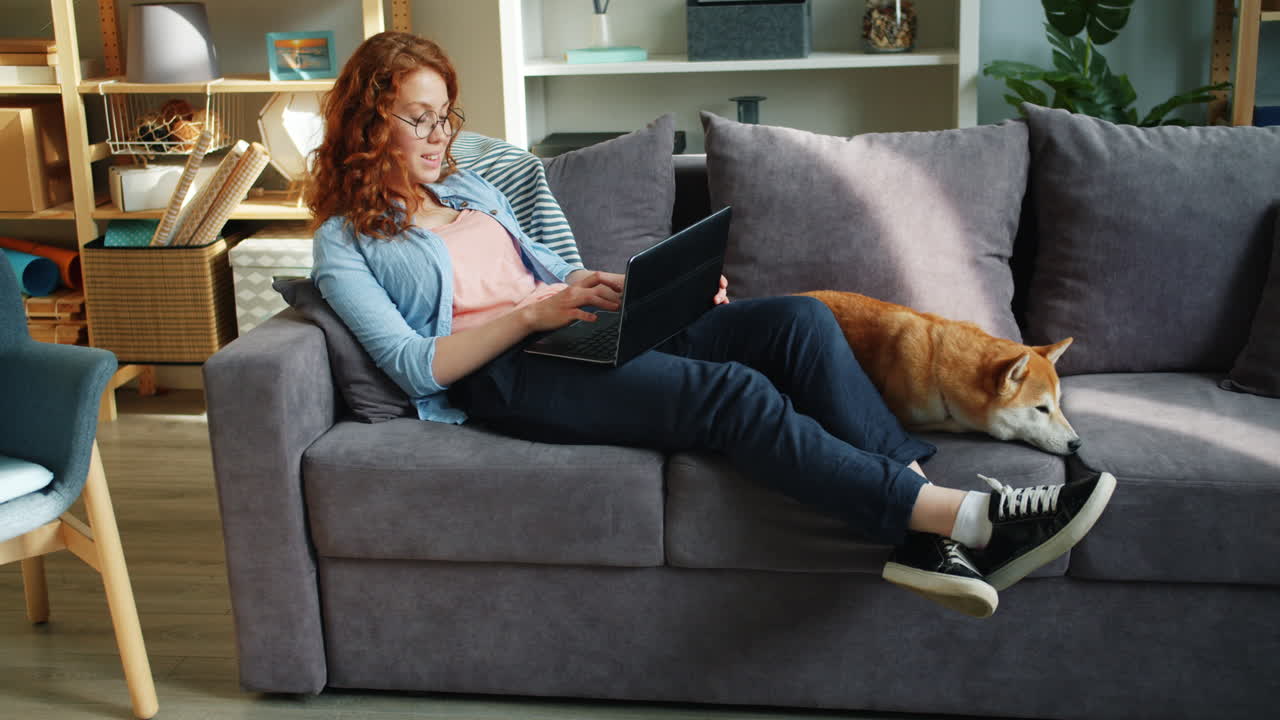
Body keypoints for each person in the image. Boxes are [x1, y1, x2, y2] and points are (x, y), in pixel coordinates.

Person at [306, 31, 1116, 619]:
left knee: (798, 321)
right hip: (507, 374)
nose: (441, 136)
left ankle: (918, 526)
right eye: (419, 118)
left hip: (568, 326)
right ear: (370, 122)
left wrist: (619, 289)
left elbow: (543, 278)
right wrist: (532, 315)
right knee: (732, 395)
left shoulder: (470, 191)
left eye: (446, 116)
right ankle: (965, 522)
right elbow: (414, 365)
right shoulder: (345, 242)